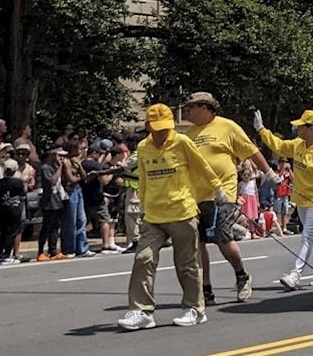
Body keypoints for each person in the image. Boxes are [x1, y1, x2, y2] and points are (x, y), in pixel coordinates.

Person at [117, 103, 226, 331]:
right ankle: (142, 311)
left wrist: (218, 189)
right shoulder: (144, 147)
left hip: (182, 212)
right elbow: (144, 178)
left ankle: (195, 309)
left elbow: (202, 166)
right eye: (156, 128)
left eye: (165, 127)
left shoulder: (182, 142)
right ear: (148, 126)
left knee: (186, 263)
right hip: (154, 215)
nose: (162, 132)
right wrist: (144, 204)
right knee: (143, 259)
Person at [182, 91, 274, 305]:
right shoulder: (188, 135)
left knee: (223, 239)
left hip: (223, 195)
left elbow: (250, 151)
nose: (188, 112)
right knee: (198, 243)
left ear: (204, 107)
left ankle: (242, 275)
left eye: (191, 108)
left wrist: (268, 172)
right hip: (195, 196)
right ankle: (205, 289)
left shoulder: (227, 127)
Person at [255, 109, 313, 291]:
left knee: (307, 236)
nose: (298, 128)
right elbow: (279, 145)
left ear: (311, 128)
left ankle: (295, 274)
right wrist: (261, 129)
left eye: (302, 126)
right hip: (301, 198)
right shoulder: (299, 144)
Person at [0, 159, 27, 264]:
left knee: (2, 231)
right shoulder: (18, 182)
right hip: (14, 209)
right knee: (12, 232)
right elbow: (23, 194)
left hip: (2, 209)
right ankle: (7, 255)